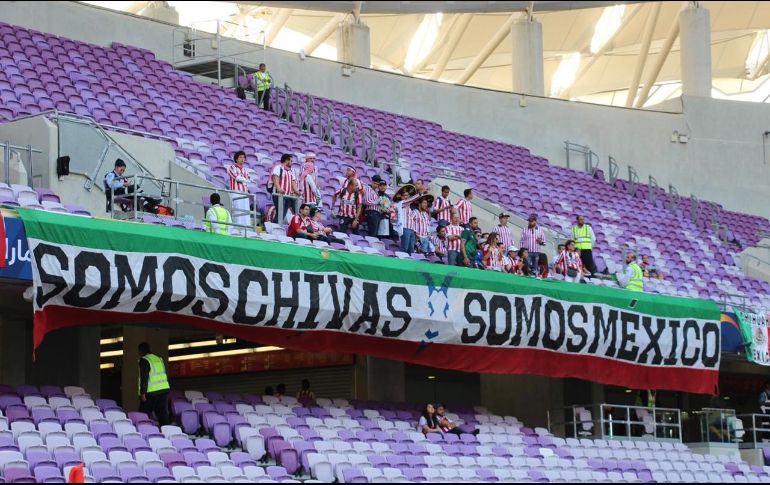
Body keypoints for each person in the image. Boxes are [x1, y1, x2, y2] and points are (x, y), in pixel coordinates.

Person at [137, 342, 170, 426]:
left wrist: (143, 393)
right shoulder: (158, 359)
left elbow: (144, 377)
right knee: (162, 414)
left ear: (140, 351)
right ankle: (166, 431)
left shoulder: (144, 360)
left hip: (152, 392)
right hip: (164, 390)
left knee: (143, 414)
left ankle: (143, 429)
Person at [227, 151, 255, 227]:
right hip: (236, 192)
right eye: (240, 157)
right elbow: (237, 177)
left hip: (244, 193)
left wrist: (250, 180)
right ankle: (237, 227)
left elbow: (249, 178)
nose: (242, 159)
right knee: (237, 210)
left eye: (243, 157)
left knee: (245, 211)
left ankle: (246, 227)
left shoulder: (245, 170)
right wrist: (247, 180)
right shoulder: (232, 167)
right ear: (236, 159)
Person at [271, 153, 300, 223]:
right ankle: (275, 225)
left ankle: (276, 225)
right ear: (286, 160)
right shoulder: (278, 167)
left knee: (282, 213)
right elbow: (275, 178)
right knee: (280, 212)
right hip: (279, 194)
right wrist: (279, 188)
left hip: (287, 196)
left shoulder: (291, 171)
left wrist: (297, 191)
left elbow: (293, 182)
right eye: (291, 161)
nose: (292, 163)